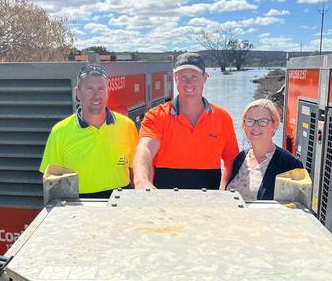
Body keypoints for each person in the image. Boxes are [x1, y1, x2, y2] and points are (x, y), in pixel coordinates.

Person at [133, 52, 239, 190]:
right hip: (163, 200)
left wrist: (225, 188)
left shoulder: (222, 117)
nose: (188, 82)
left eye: (194, 76)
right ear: (175, 78)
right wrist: (142, 181)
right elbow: (145, 148)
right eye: (183, 77)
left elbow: (231, 160)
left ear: (205, 78)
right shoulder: (156, 116)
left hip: (209, 201)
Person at [39, 64, 138, 198]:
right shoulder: (60, 131)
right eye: (89, 88)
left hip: (121, 201)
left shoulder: (127, 126)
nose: (96, 95)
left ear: (108, 91)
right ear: (78, 92)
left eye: (101, 89)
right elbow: (51, 180)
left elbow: (135, 171)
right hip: (79, 206)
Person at [224, 99, 304, 201]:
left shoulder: (290, 165)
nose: (255, 127)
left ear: (275, 125)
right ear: (244, 126)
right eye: (250, 121)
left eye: (262, 122)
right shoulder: (241, 157)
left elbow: (295, 209)